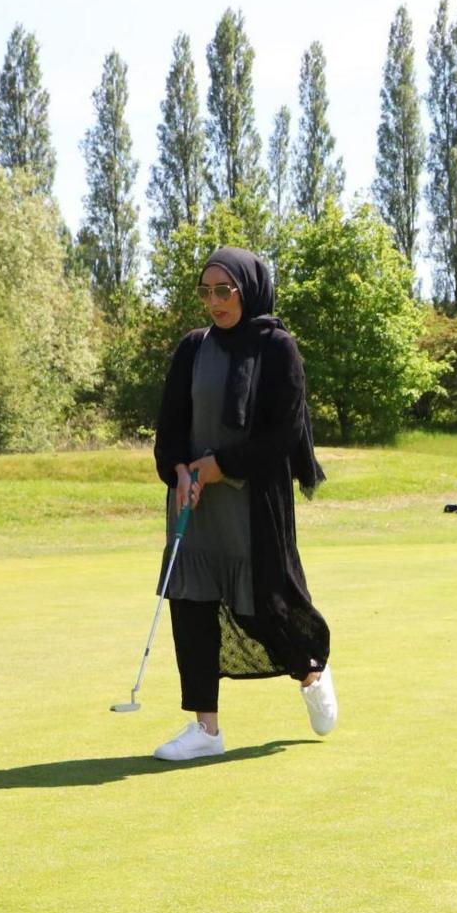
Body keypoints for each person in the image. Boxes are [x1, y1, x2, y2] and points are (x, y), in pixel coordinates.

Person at [149, 248, 335, 762]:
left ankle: (311, 669)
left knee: (263, 609)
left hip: (253, 506)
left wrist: (220, 466)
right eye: (205, 292)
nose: (214, 301)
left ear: (248, 288)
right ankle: (206, 729)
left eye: (224, 290)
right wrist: (180, 470)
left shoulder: (278, 348)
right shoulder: (192, 348)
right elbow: (169, 431)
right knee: (191, 606)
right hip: (195, 504)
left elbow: (283, 434)